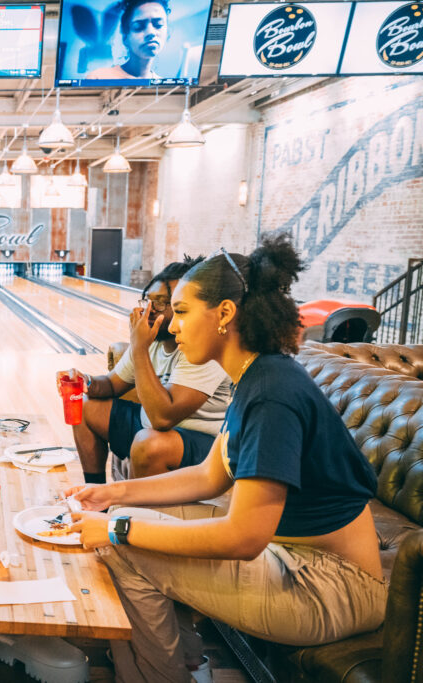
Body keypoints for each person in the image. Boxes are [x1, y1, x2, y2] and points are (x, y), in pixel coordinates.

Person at [67, 237, 385, 683]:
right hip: (296, 558)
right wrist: (111, 493)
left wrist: (117, 526)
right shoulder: (257, 374)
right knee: (126, 517)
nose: (170, 327)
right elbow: (207, 475)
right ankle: (186, 661)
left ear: (224, 314)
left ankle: (157, 675)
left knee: (121, 544)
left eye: (180, 311)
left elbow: (243, 537)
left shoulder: (272, 393)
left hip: (329, 587)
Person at [58, 258, 232, 480]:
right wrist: (85, 381)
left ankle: (132, 510)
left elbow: (162, 419)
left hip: (201, 443)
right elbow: (111, 384)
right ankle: (95, 498)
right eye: (147, 300)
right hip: (149, 428)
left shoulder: (201, 348)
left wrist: (139, 346)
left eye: (160, 302)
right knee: (86, 407)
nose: (148, 310)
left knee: (149, 442)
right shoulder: (152, 341)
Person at [85, 0, 169, 80]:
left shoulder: (169, 87)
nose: (150, 32)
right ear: (125, 37)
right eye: (138, 27)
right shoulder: (98, 78)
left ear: (168, 33)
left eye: (158, 25)